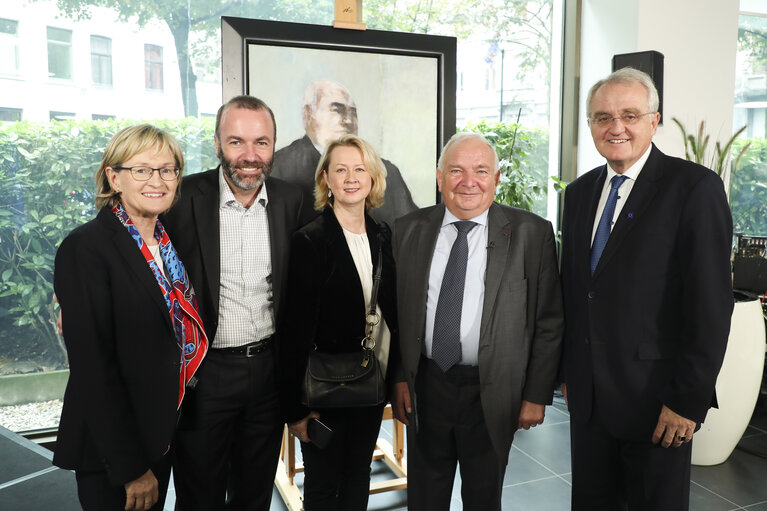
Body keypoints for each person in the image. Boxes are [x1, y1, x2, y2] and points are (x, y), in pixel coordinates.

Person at [560, 67, 733, 510]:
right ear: (590, 126)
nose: (616, 127)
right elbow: (577, 291)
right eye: (603, 117)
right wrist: (568, 373)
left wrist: (687, 401)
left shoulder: (694, 188)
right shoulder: (579, 194)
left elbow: (710, 307)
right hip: (590, 402)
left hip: (657, 405)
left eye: (630, 115)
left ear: (654, 121)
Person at [391, 132, 563, 510]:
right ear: (439, 178)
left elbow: (548, 320)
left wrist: (536, 395)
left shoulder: (532, 234)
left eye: (481, 171)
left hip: (493, 390)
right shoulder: (407, 230)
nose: (468, 182)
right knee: (425, 496)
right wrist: (401, 376)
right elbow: (399, 315)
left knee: (483, 497)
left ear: (496, 178)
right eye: (456, 170)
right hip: (428, 384)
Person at [53, 124, 208, 511]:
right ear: (114, 177)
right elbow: (93, 369)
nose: (157, 180)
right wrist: (131, 469)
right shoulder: (85, 248)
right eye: (142, 170)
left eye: (167, 169)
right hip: (115, 451)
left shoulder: (168, 245)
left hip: (160, 431)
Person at [162, 96, 305, 510]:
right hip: (205, 374)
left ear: (274, 145)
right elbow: (134, 250)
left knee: (253, 495)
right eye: (236, 142)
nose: (249, 156)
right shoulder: (181, 198)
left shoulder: (290, 201)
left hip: (267, 374)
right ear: (217, 143)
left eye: (261, 143)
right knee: (199, 496)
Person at [279, 134, 399, 510]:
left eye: (359, 169)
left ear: (372, 178)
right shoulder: (310, 241)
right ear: (326, 180)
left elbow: (391, 314)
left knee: (357, 477)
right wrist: (294, 411)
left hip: (368, 384)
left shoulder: (382, 236)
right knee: (322, 485)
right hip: (323, 389)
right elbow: (294, 331)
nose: (351, 177)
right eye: (341, 169)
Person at [272, 80, 417, 225]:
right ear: (309, 115)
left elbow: (414, 233)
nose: (348, 120)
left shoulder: (387, 172)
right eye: (337, 110)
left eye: (353, 113)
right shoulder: (278, 168)